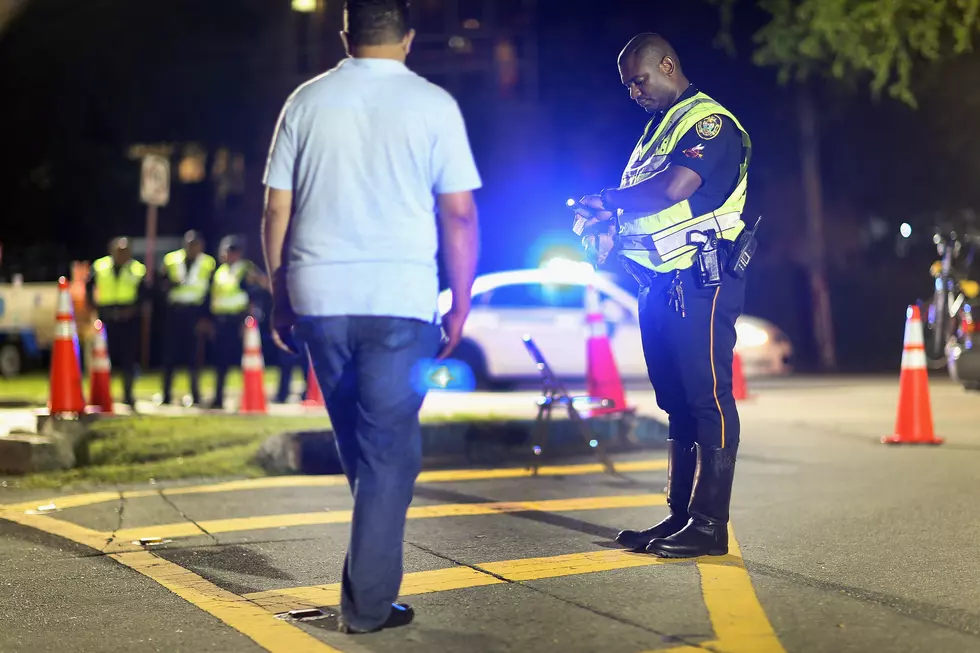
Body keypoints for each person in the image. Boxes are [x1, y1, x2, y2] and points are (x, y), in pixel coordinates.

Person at [261, 0, 481, 634]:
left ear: (345, 35)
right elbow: (460, 215)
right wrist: (459, 300)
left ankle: (371, 585)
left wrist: (281, 292)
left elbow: (277, 209)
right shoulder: (434, 104)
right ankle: (367, 607)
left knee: (361, 444)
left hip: (320, 298)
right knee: (388, 451)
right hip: (398, 298)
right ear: (408, 39)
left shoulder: (305, 101)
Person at [577, 33, 754, 559]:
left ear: (668, 65)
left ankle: (709, 523)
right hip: (660, 282)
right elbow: (647, 207)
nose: (634, 92)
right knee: (675, 401)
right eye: (628, 85)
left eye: (639, 80)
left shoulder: (709, 124)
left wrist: (606, 200)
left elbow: (675, 188)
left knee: (708, 398)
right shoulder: (656, 131)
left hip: (702, 280)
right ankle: (681, 515)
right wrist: (607, 225)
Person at [209, 235, 269, 410]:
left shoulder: (245, 269)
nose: (227, 255)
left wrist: (248, 320)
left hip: (239, 320)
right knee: (221, 361)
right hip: (222, 320)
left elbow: (257, 292)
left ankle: (244, 397)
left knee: (243, 361)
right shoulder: (220, 271)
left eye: (230, 251)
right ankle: (218, 397)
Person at [87, 237, 147, 409]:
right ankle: (105, 395)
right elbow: (88, 287)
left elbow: (145, 294)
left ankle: (128, 395)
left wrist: (134, 310)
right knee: (104, 358)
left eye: (125, 251)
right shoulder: (100, 266)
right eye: (119, 251)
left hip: (129, 319)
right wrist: (93, 306)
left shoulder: (137, 269)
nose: (122, 254)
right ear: (111, 250)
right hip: (106, 317)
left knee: (128, 358)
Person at [159, 230, 215, 406]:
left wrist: (206, 317)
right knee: (170, 354)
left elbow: (210, 291)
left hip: (195, 312)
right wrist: (169, 285)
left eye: (196, 245)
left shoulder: (208, 262)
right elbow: (160, 284)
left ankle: (195, 394)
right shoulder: (171, 260)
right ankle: (166, 394)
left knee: (195, 356)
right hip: (175, 311)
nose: (193, 248)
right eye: (190, 245)